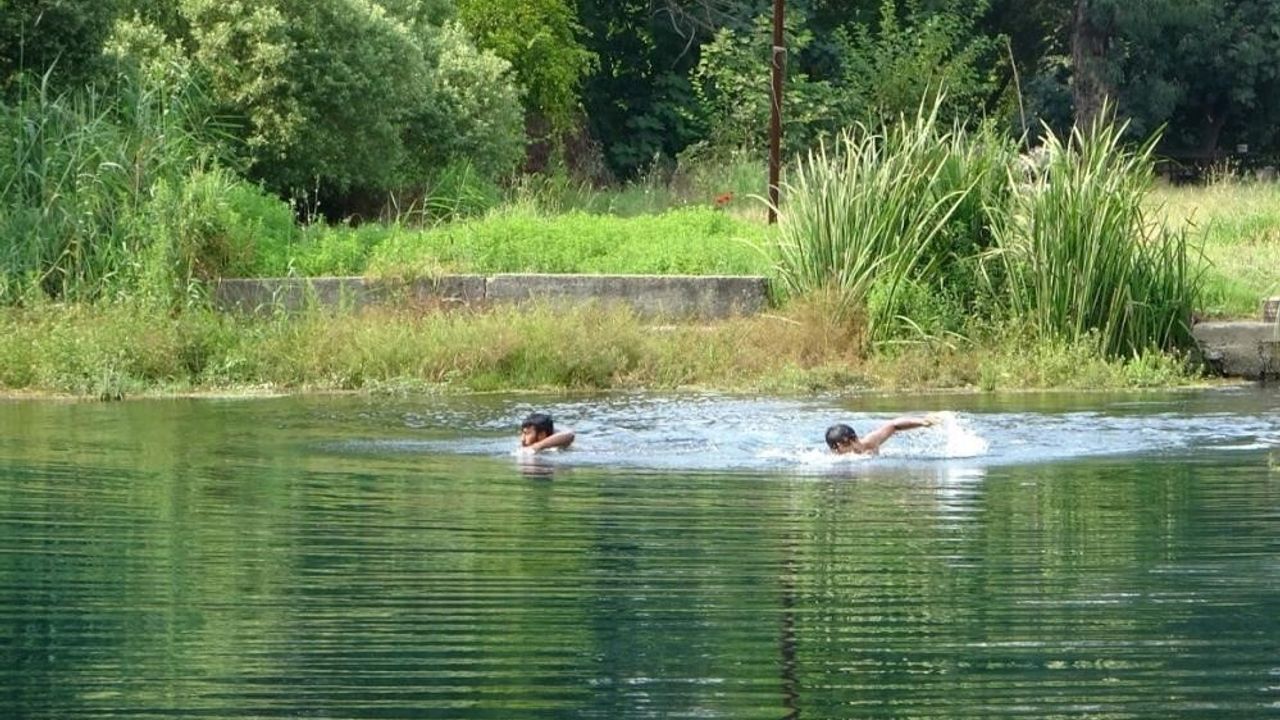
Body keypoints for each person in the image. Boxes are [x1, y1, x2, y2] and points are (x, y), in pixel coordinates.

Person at [825, 415, 936, 456]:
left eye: (854, 440)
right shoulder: (835, 460)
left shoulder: (870, 442)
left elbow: (894, 425)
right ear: (838, 448)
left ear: (855, 438)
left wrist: (921, 422)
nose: (856, 447)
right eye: (848, 446)